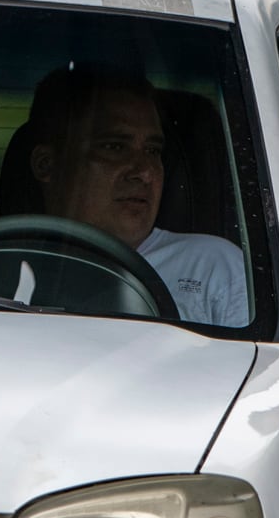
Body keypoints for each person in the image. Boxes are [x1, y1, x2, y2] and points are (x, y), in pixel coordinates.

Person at [19, 65, 247, 327]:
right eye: (115, 147)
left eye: (152, 151)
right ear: (46, 164)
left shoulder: (212, 269)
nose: (145, 173)